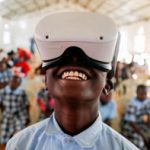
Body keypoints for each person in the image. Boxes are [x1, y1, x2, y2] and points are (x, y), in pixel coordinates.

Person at [6, 12, 138, 150]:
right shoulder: (19, 145)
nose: (74, 59)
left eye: (90, 57)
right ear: (46, 81)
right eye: (61, 55)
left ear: (108, 85)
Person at [0, 75, 30, 150]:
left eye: (16, 82)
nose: (13, 83)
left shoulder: (22, 92)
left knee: (19, 137)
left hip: (19, 117)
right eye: (12, 81)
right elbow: (1, 104)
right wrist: (3, 115)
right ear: (9, 82)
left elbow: (27, 105)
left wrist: (27, 117)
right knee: (4, 136)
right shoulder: (3, 92)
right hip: (7, 116)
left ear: (19, 84)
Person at [121, 84, 150, 150]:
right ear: (137, 93)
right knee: (140, 143)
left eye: (145, 93)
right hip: (131, 127)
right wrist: (144, 137)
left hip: (142, 125)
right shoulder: (132, 103)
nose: (144, 95)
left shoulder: (148, 101)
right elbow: (132, 123)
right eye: (141, 94)